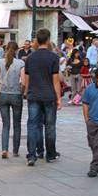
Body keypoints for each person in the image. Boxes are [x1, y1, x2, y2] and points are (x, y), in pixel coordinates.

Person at [24, 28, 62, 166]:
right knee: (50, 125)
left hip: (33, 95)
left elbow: (26, 78)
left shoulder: (30, 58)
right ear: (48, 40)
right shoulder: (53, 57)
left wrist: (27, 92)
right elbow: (55, 80)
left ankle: (32, 155)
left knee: (33, 125)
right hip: (49, 95)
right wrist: (58, 98)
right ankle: (50, 154)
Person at [0, 42, 24, 159]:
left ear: (5, 49)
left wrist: (1, 83)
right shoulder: (21, 63)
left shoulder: (0, 62)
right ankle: (15, 151)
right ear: (16, 50)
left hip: (3, 95)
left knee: (5, 124)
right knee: (17, 124)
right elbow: (24, 81)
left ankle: (4, 149)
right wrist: (22, 91)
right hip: (16, 94)